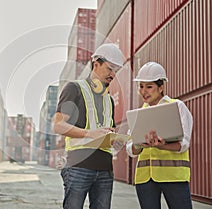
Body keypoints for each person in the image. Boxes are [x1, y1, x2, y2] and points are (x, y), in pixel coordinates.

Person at [53, 43, 125, 209]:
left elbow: (105, 131)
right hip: (79, 167)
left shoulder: (109, 100)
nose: (113, 75)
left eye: (116, 71)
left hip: (105, 169)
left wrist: (114, 139)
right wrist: (89, 133)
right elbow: (58, 126)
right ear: (96, 64)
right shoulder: (74, 88)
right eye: (110, 69)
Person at [126, 62, 193, 209]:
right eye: (141, 86)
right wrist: (139, 144)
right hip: (145, 179)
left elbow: (185, 144)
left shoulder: (177, 107)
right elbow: (130, 150)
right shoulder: (137, 114)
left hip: (174, 177)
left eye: (149, 86)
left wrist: (163, 145)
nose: (144, 91)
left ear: (161, 87)